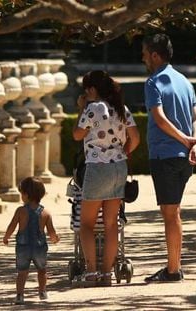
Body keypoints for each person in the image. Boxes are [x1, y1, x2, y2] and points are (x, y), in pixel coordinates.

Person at [141, 33, 196, 282]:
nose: (143, 57)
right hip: (184, 156)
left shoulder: (153, 82)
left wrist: (186, 140)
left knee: (170, 213)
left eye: (145, 53)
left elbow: (159, 119)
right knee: (173, 211)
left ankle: (173, 270)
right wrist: (193, 142)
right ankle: (173, 266)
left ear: (155, 55)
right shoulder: (184, 81)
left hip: (165, 155)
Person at [72, 70, 140, 286]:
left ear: (92, 90)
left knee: (87, 224)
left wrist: (81, 108)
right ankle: (106, 274)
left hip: (97, 168)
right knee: (112, 225)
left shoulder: (92, 108)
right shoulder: (121, 109)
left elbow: (77, 134)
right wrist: (122, 152)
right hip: (118, 167)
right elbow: (135, 138)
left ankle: (91, 272)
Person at [3, 176, 60, 304]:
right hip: (40, 248)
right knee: (42, 271)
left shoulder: (20, 211)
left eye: (22, 193)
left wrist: (6, 237)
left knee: (22, 272)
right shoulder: (46, 213)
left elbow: (12, 226)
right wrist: (55, 239)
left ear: (26, 195)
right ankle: (42, 292)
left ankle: (19, 295)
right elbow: (51, 232)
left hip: (23, 247)